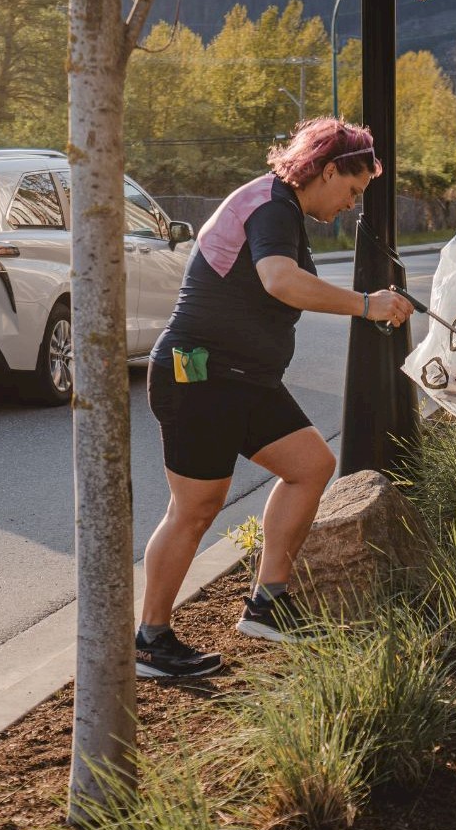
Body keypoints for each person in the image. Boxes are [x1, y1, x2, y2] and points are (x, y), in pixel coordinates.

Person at [134, 117, 414, 678]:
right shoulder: (272, 206)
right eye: (352, 191)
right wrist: (366, 304)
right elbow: (280, 282)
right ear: (328, 169)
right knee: (195, 510)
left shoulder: (281, 206)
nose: (351, 205)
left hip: (243, 379)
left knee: (311, 465)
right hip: (201, 374)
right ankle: (150, 640)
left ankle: (268, 603)